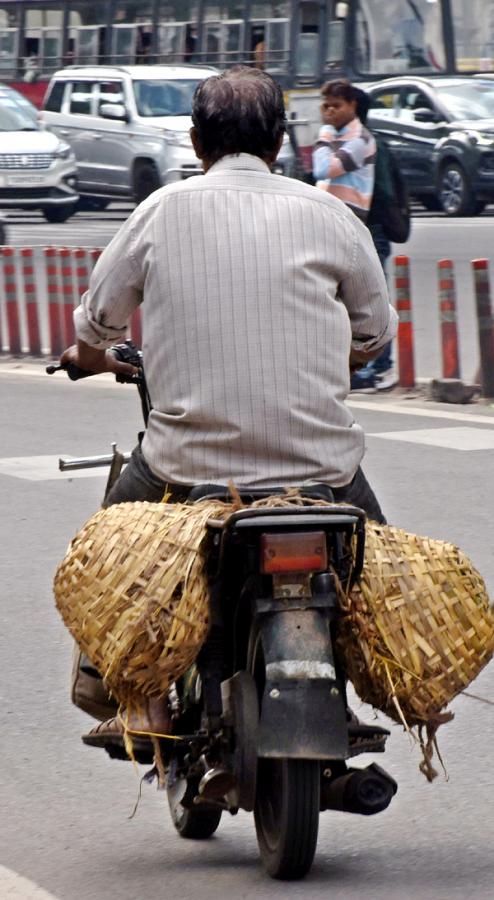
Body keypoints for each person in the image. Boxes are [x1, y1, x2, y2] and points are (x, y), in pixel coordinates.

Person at [60, 66, 397, 751]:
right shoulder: (327, 213)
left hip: (185, 464)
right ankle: (360, 690)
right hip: (321, 467)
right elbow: (375, 333)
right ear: (279, 141)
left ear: (194, 140)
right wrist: (345, 356)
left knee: (109, 556)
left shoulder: (161, 210)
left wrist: (89, 356)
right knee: (381, 571)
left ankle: (145, 703)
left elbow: (97, 324)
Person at [312, 78, 376, 222]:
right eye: (326, 106)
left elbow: (322, 171)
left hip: (348, 216)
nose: (330, 111)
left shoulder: (361, 140)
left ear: (352, 106)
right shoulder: (334, 135)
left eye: (337, 105)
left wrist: (326, 129)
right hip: (329, 214)